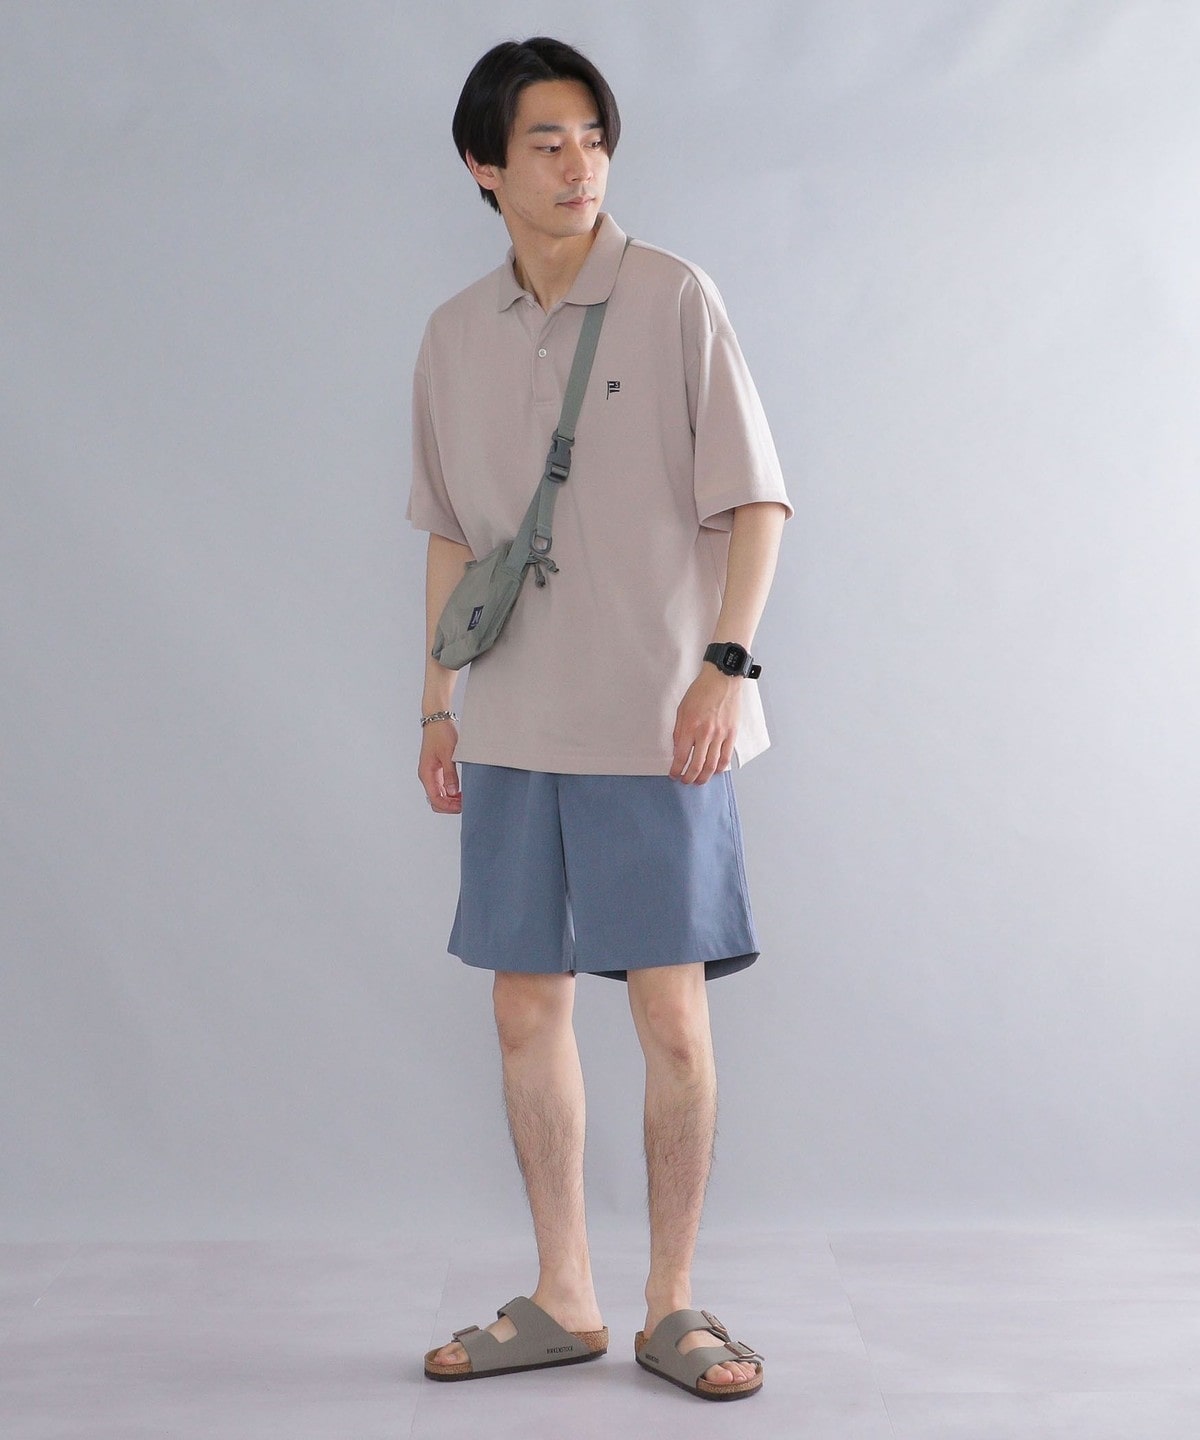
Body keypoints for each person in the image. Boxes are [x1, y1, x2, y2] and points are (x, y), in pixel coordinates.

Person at [408, 36, 791, 1402]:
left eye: (593, 137)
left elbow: (758, 500)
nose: (580, 164)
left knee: (671, 1015)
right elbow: (452, 537)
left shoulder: (674, 295)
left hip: (658, 717)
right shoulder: (454, 333)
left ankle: (672, 1305)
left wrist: (724, 667)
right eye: (547, 142)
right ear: (484, 167)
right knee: (525, 1008)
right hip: (514, 718)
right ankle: (564, 1295)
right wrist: (437, 704)